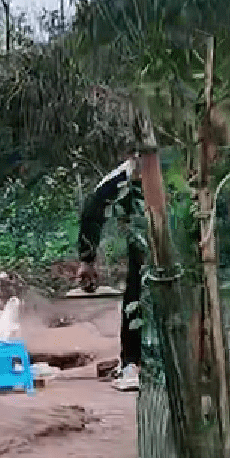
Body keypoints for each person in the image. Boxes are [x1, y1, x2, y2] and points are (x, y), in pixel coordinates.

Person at [76, 154, 144, 393]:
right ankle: (133, 364)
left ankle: (135, 364)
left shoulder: (184, 167)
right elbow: (93, 211)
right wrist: (87, 259)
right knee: (136, 294)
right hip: (144, 244)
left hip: (182, 241)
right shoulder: (123, 176)